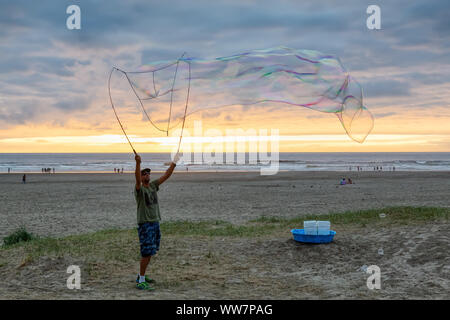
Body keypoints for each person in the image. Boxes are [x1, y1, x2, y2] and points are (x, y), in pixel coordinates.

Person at [134, 152, 179, 290]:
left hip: (155, 222)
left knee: (151, 251)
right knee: (146, 252)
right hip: (145, 223)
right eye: (144, 174)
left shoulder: (153, 186)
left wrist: (174, 162)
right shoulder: (139, 189)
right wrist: (138, 163)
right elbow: (136, 179)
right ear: (141, 178)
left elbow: (166, 175)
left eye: (148, 173)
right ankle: (141, 280)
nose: (147, 175)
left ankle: (142, 275)